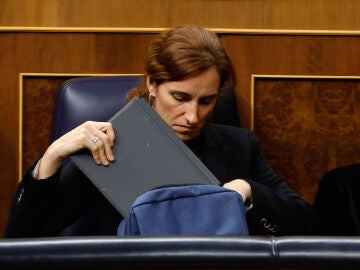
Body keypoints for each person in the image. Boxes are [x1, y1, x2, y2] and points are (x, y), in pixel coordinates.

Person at [4, 25, 316, 238]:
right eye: (180, 98)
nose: (193, 116)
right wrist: (52, 155)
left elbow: (307, 224)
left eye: (206, 101)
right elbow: (22, 238)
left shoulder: (239, 145)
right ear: (152, 84)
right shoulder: (109, 145)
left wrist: (247, 191)